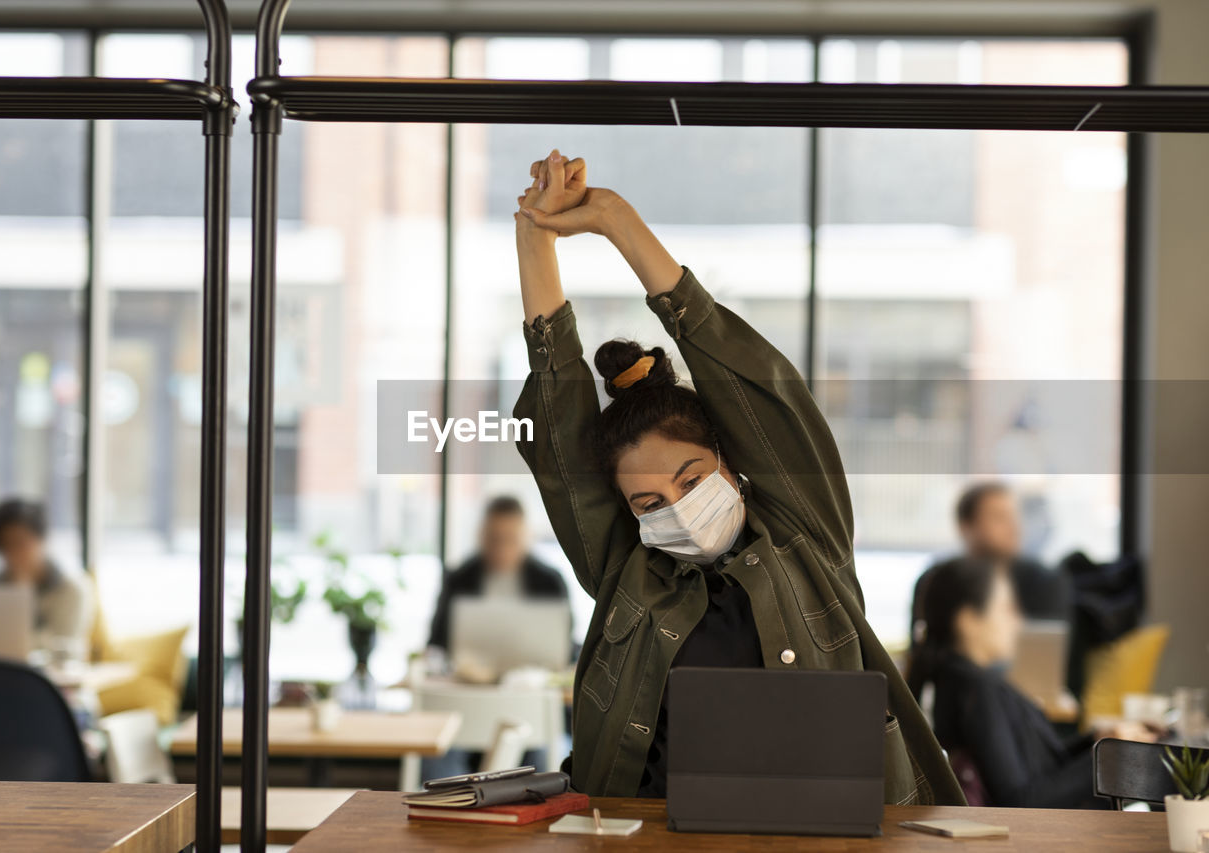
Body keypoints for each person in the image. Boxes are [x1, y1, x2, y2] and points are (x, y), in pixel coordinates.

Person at [510, 149, 963, 804]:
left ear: (731, 460)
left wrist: (615, 220)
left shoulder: (807, 537)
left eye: (692, 479)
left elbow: (761, 389)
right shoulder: (624, 571)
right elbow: (559, 428)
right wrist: (534, 231)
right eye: (650, 500)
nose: (678, 507)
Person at [906, 557, 1151, 808]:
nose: (1018, 621)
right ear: (969, 621)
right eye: (1007, 609)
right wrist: (1109, 759)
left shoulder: (965, 681)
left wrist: (1097, 742)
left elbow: (1035, 766)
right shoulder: (976, 691)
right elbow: (1021, 800)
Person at [911, 482, 1069, 652]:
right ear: (966, 526)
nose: (1014, 528)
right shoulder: (937, 581)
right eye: (999, 518)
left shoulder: (1045, 581)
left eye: (1015, 517)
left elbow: (1047, 661)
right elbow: (920, 651)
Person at [426, 495, 569, 653]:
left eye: (510, 539)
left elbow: (564, 646)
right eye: (494, 539)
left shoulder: (551, 581)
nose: (502, 549)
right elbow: (436, 643)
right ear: (481, 536)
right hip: (465, 675)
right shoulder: (458, 579)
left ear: (526, 538)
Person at [0, 497, 91, 659]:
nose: (12, 552)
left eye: (19, 542)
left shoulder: (71, 589)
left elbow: (65, 648)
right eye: (4, 545)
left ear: (42, 540)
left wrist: (21, 591)